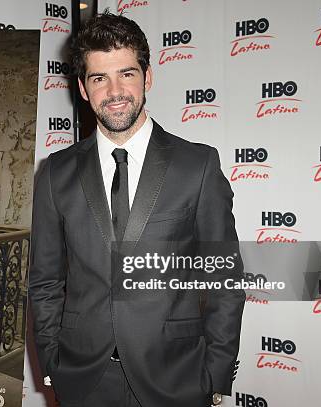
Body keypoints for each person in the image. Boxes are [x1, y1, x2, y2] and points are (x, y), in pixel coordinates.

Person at [29, 12, 244, 407]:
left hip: (176, 377)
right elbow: (44, 281)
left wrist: (216, 374)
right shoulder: (55, 173)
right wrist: (50, 362)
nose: (115, 91)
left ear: (147, 77)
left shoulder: (197, 166)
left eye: (126, 74)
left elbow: (225, 278)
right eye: (99, 78)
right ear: (82, 87)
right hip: (83, 379)